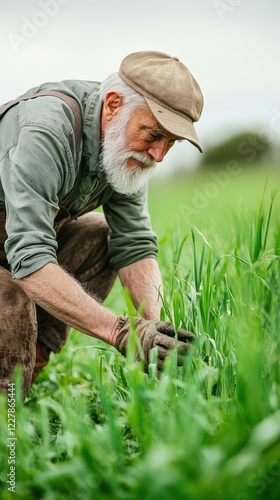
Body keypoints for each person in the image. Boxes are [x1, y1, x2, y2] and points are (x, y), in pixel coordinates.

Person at [0, 51, 204, 399]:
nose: (159, 155)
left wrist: (156, 335)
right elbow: (30, 259)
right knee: (12, 298)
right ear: (113, 105)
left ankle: (25, 376)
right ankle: (9, 427)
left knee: (99, 238)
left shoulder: (124, 151)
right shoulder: (46, 132)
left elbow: (134, 244)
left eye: (171, 142)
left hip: (13, 248)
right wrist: (122, 332)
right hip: (19, 254)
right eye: (154, 134)